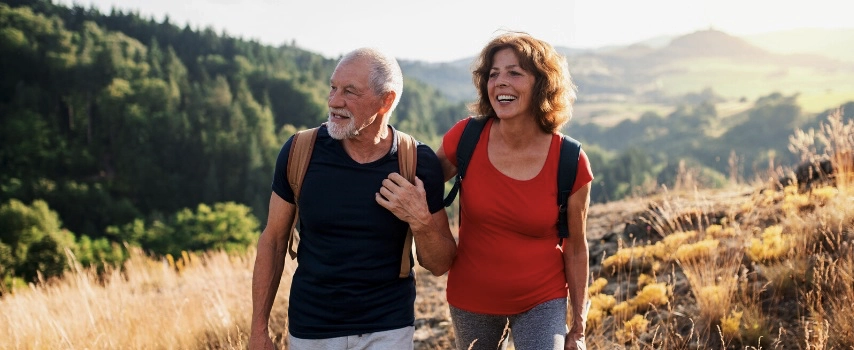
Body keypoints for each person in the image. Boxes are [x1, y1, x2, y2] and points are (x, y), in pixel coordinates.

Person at [249, 47, 457, 350]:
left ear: (385, 101)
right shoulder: (298, 152)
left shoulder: (416, 162)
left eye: (350, 91)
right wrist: (258, 330)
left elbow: (440, 264)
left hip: (389, 329)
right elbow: (274, 241)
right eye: (333, 88)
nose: (334, 101)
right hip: (311, 329)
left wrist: (420, 220)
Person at [436, 32, 594, 350]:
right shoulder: (466, 138)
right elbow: (417, 185)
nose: (500, 82)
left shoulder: (570, 160)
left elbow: (575, 248)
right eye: (493, 74)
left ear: (542, 84)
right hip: (472, 296)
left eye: (514, 73)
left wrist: (577, 327)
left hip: (542, 298)